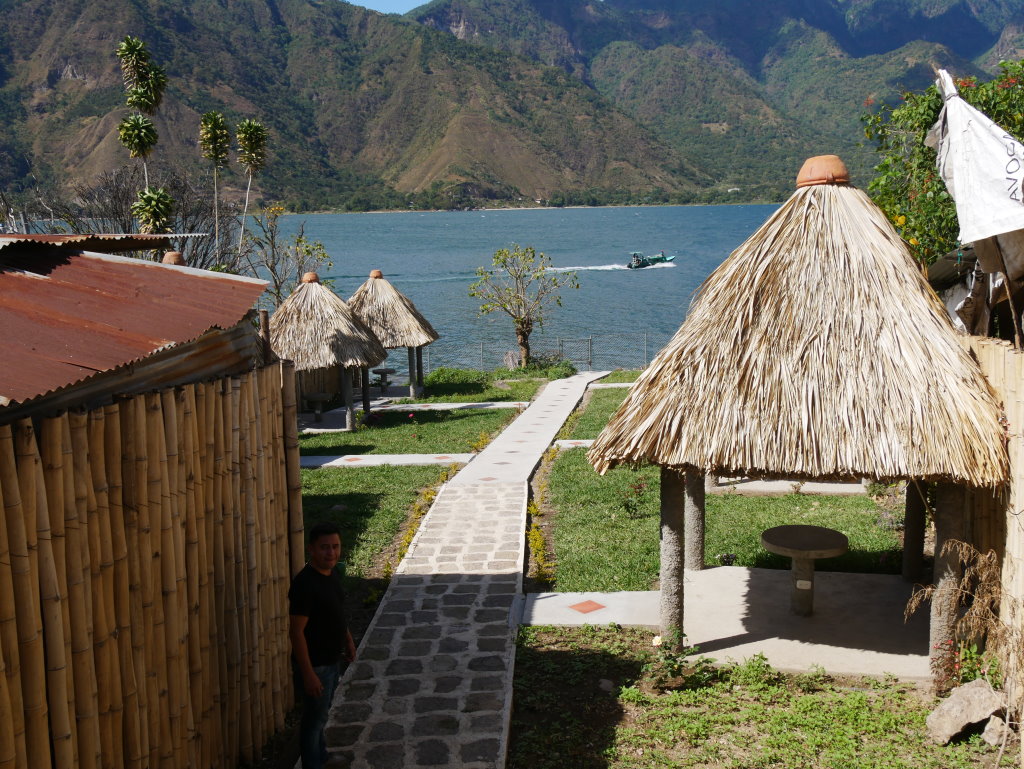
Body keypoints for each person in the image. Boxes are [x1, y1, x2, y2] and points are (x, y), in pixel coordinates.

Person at [289, 521, 357, 769]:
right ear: (311, 549)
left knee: (321, 715)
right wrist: (308, 674)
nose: (331, 553)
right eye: (324, 547)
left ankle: (322, 757)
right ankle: (313, 764)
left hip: (331, 660)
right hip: (316, 664)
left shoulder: (332, 573)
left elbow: (336, 613)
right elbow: (296, 632)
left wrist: (348, 640)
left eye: (335, 546)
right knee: (313, 721)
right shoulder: (305, 585)